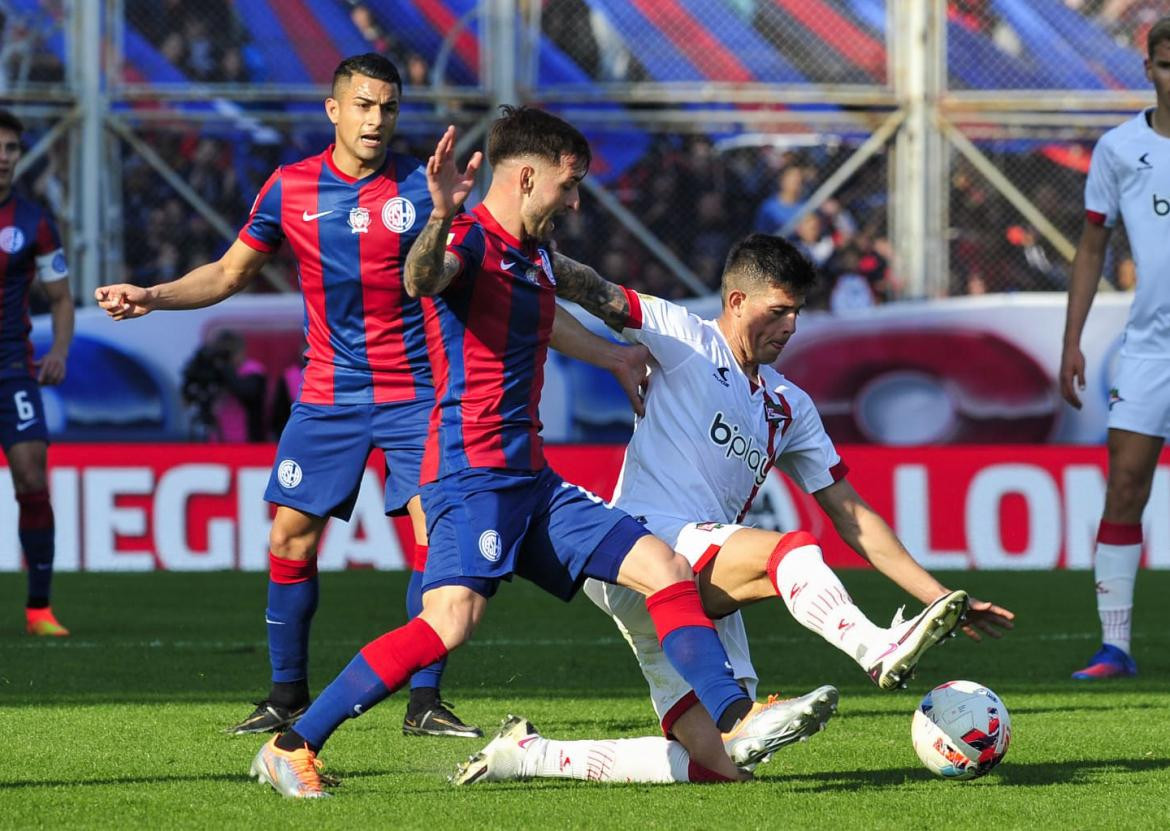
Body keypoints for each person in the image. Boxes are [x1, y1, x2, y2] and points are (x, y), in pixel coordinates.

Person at [247, 107, 837, 798]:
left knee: (665, 565)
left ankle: (736, 716)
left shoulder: (530, 257)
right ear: (527, 176)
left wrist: (614, 356)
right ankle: (292, 744)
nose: (576, 199)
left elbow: (547, 315)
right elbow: (420, 278)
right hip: (471, 474)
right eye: (569, 183)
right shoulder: (467, 240)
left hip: (533, 478)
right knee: (450, 620)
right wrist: (437, 216)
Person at [451, 233, 1016, 786]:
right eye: (778, 311)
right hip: (641, 545)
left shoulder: (790, 405)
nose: (789, 327)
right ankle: (873, 646)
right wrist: (521, 253)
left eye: (797, 313)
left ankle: (526, 755)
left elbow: (853, 514)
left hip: (690, 583)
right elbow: (597, 291)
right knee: (790, 551)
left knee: (723, 762)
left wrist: (938, 598)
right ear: (736, 301)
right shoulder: (683, 335)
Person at [96, 54, 496, 738]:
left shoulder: (423, 185)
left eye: (389, 108)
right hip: (329, 394)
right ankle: (286, 694)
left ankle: (424, 701)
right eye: (364, 105)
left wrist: (441, 214)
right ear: (333, 110)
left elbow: (445, 279)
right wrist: (152, 296)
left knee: (437, 538)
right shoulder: (290, 188)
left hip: (417, 394)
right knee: (289, 534)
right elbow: (227, 274)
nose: (376, 120)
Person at [1059, 17, 1170, 681]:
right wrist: (1072, 339)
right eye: (1167, 61)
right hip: (1151, 349)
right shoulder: (1120, 149)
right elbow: (1093, 245)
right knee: (1125, 484)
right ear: (1149, 66)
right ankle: (1115, 646)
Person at [0, 108, 73, 637]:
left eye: (10, 148)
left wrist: (60, 352)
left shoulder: (33, 221)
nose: (3, 157)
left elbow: (61, 298)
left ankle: (39, 609)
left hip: (12, 369)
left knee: (31, 477)